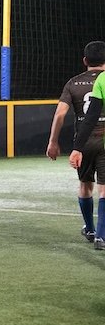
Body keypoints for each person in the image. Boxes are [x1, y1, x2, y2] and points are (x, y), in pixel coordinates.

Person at [65, 40, 105, 250]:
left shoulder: (98, 82)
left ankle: (97, 234)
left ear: (85, 60)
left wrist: (77, 148)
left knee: (89, 186)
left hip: (90, 140)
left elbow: (90, 118)